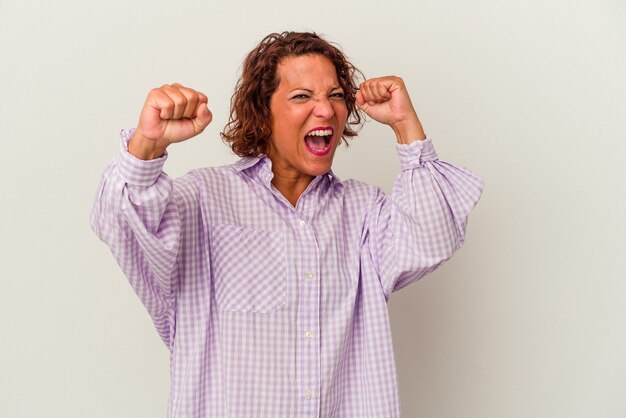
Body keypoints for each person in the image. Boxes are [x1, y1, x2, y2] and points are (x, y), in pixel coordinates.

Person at [91, 31, 483, 418]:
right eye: (302, 96)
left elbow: (433, 235)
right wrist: (148, 144)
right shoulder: (202, 200)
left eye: (335, 95)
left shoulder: (365, 213)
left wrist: (404, 125)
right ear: (263, 113)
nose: (326, 110)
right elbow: (120, 221)